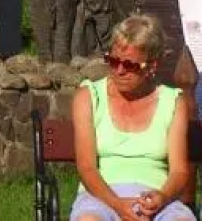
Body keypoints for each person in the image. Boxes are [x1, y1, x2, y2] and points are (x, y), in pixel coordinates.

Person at [72, 13, 195, 221]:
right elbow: (86, 167)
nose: (119, 71)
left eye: (129, 65)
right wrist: (118, 206)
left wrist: (162, 197)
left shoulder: (172, 102)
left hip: (156, 196)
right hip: (100, 195)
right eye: (113, 61)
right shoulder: (89, 96)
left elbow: (179, 171)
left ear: (152, 66)